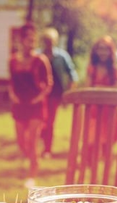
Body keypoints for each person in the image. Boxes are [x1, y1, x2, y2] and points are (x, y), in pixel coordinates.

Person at [8, 23, 53, 188]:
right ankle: (31, 161)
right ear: (20, 41)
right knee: (21, 141)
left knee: (33, 140)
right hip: (19, 105)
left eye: (34, 40)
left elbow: (49, 83)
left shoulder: (41, 60)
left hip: (36, 106)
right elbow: (11, 82)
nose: (31, 43)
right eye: (28, 39)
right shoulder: (13, 61)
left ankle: (32, 175)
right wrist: (13, 96)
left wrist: (38, 98)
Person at [84, 36, 117, 158]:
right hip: (94, 110)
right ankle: (89, 164)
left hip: (109, 111)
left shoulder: (114, 70)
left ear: (111, 51)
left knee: (107, 141)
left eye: (106, 49)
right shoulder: (91, 69)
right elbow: (88, 88)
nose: (103, 52)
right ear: (95, 51)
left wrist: (99, 88)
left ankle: (105, 165)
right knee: (91, 139)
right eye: (100, 49)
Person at [39, 27, 79, 158]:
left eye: (50, 40)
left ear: (55, 41)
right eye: (46, 40)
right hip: (40, 94)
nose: (48, 43)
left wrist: (69, 93)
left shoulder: (62, 57)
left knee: (49, 121)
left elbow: (72, 74)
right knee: (39, 121)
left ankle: (47, 149)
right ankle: (37, 145)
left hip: (55, 94)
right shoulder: (38, 56)